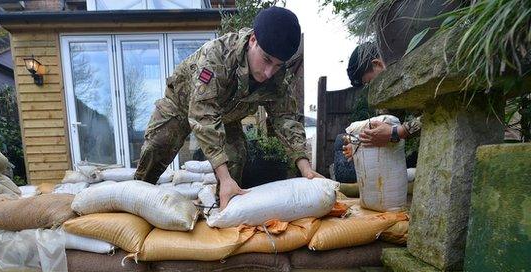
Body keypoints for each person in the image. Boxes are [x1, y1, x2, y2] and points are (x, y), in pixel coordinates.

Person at [134, 6, 322, 209]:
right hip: (180, 105)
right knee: (157, 147)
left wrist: (305, 168)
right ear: (253, 40)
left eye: (277, 65)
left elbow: (285, 118)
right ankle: (135, 204)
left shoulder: (277, 75)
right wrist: (221, 175)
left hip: (227, 116)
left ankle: (221, 211)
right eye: (266, 59)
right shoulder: (218, 56)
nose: (269, 72)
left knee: (235, 158)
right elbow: (203, 112)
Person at [343, 42, 422, 158]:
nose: (371, 88)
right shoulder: (386, 94)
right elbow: (383, 130)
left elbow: (436, 113)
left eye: (369, 82)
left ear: (377, 64)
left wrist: (399, 131)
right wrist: (358, 144)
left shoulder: (412, 73)